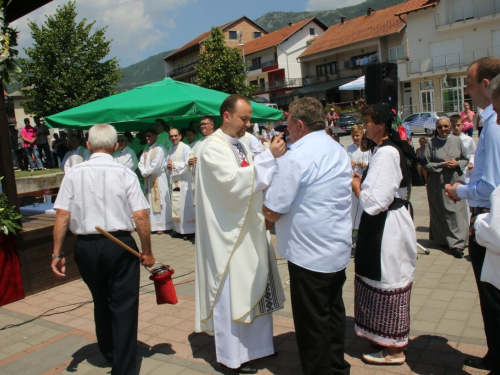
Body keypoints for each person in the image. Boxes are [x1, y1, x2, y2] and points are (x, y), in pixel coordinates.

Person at [51, 124, 154, 375]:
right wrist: (147, 250)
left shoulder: (74, 173)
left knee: (101, 299)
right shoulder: (125, 173)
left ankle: (108, 351)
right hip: (119, 246)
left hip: (86, 247)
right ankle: (122, 366)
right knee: (123, 304)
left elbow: (63, 214)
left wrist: (57, 253)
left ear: (88, 145)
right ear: (116, 146)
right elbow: (140, 216)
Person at [194, 94, 286, 373]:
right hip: (228, 234)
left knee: (254, 284)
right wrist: (269, 158)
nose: (248, 123)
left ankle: (259, 348)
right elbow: (234, 183)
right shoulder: (212, 148)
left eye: (249, 119)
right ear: (226, 116)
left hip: (250, 228)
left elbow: (256, 175)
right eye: (244, 118)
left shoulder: (243, 143)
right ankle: (233, 357)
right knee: (233, 290)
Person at [263, 97, 352, 375]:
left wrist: (260, 221)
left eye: (288, 126)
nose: (286, 132)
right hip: (335, 247)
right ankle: (337, 367)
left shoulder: (297, 156)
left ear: (300, 125)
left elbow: (273, 208)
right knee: (333, 313)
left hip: (309, 253)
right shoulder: (336, 148)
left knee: (312, 322)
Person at [351, 103, 417, 366]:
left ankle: (393, 349)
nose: (364, 125)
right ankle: (384, 338)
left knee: (388, 277)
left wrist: (357, 186)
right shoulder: (387, 149)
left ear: (381, 125)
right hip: (388, 222)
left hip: (387, 226)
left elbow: (374, 202)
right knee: (384, 277)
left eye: (368, 121)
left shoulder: (387, 152)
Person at [446, 61, 500, 373]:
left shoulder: (493, 124)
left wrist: (461, 191)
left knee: (491, 294)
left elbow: (492, 185)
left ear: (486, 83)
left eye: (468, 83)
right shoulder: (487, 121)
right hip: (486, 213)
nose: (465, 90)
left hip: (489, 218)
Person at [423, 117, 469, 258]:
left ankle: (457, 243)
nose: (443, 129)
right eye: (440, 127)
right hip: (437, 182)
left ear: (450, 127)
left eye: (446, 126)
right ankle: (442, 240)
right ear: (436, 129)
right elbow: (426, 163)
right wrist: (442, 165)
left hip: (455, 181)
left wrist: (457, 163)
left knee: (455, 212)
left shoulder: (457, 140)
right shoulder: (432, 143)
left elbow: (466, 159)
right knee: (440, 211)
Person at [138, 128, 173, 234]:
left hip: (157, 177)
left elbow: (156, 165)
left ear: (155, 136)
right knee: (151, 202)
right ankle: (153, 225)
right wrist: (143, 171)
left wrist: (145, 172)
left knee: (160, 200)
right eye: (146, 136)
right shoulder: (146, 149)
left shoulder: (160, 148)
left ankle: (162, 225)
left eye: (149, 136)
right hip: (149, 178)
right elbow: (141, 162)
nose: (147, 138)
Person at [346, 124, 372, 256]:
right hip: (353, 182)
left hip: (364, 182)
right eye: (353, 136)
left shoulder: (367, 148)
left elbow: (373, 163)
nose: (355, 138)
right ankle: (353, 236)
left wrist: (364, 164)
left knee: (363, 210)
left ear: (362, 135)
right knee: (353, 211)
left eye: (357, 135)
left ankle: (364, 235)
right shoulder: (349, 148)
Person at [166, 128, 195, 239]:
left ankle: (189, 230)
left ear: (180, 136)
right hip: (175, 181)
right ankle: (179, 229)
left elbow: (188, 164)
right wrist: (168, 166)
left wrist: (173, 165)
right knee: (177, 205)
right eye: (171, 136)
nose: (173, 138)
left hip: (184, 181)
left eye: (175, 136)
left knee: (185, 205)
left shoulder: (185, 148)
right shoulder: (170, 149)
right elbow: (168, 163)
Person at [189, 115, 215, 196]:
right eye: (201, 124)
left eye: (205, 124)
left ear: (212, 125)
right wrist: (190, 161)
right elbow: (191, 154)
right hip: (198, 179)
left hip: (210, 179)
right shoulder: (200, 141)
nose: (202, 126)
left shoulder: (217, 140)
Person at [450, 115, 476, 183]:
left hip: (465, 169)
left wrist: (471, 162)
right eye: (453, 126)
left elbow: (472, 153)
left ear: (462, 125)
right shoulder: (448, 139)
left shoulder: (468, 139)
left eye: (458, 125)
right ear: (450, 126)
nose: (456, 128)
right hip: (452, 169)